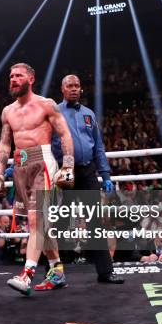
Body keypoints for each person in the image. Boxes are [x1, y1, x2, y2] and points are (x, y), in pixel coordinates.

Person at [0, 62, 75, 296]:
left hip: (42, 162)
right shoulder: (8, 111)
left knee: (36, 221)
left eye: (18, 76)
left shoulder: (46, 105)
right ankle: (56, 271)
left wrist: (68, 165)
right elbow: (5, 143)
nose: (13, 79)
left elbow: (65, 133)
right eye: (11, 76)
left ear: (31, 78)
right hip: (20, 165)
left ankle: (27, 275)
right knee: (42, 225)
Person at [51, 74, 124, 285]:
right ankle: (54, 272)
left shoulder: (89, 114)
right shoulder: (54, 112)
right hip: (65, 171)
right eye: (70, 86)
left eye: (77, 86)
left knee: (95, 221)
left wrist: (106, 175)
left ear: (81, 89)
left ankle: (105, 272)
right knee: (62, 221)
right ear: (62, 89)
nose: (74, 89)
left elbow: (98, 147)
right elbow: (44, 142)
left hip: (88, 172)